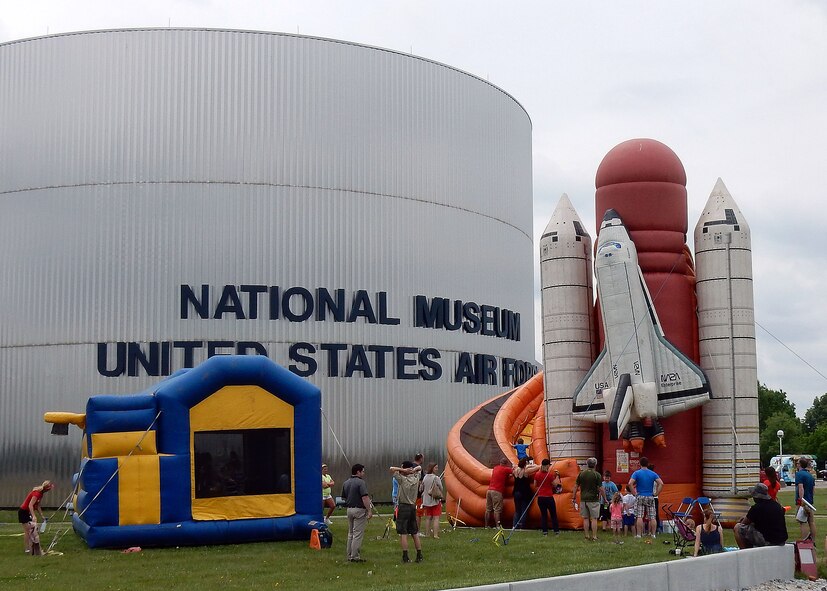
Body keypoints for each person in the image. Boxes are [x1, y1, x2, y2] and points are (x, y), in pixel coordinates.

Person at [733, 482, 788, 549]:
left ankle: (744, 551)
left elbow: (743, 523)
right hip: (781, 540)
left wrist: (743, 520)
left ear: (756, 497)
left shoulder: (756, 508)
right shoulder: (776, 505)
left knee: (738, 527)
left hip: (767, 541)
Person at [390, 461, 424, 563]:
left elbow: (392, 469)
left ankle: (405, 556)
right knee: (414, 532)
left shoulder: (402, 479)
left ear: (405, 469)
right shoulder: (416, 478)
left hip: (403, 506)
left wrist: (402, 470)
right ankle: (419, 554)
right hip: (412, 506)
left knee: (403, 532)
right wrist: (413, 470)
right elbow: (419, 468)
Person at [342, 464, 373, 562]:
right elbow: (364, 497)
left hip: (349, 509)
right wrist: (369, 510)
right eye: (362, 471)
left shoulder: (346, 482)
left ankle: (349, 555)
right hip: (359, 510)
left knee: (350, 533)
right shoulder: (361, 483)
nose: (364, 473)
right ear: (358, 472)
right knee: (357, 534)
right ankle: (355, 557)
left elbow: (344, 497)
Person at [628, 457, 663, 539]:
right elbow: (661, 483)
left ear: (639, 464)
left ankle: (639, 535)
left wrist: (634, 493)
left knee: (639, 516)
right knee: (652, 516)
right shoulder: (653, 473)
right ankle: (653, 534)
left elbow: (630, 483)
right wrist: (656, 493)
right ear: (648, 464)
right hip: (650, 496)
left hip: (640, 495)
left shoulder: (636, 473)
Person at [572, 457, 606, 541]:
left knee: (585, 518)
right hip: (593, 499)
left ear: (587, 464)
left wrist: (573, 497)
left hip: (583, 499)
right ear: (595, 464)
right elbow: (601, 488)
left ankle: (586, 536)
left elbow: (576, 486)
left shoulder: (581, 474)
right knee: (594, 518)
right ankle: (594, 536)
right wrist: (605, 498)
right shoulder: (597, 474)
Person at [18, 480, 54, 553]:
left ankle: (33, 548)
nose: (50, 490)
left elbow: (37, 506)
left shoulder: (41, 494)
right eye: (49, 488)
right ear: (46, 489)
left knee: (32, 531)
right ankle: (27, 549)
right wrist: (34, 516)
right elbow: (30, 505)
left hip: (27, 512)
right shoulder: (37, 494)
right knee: (27, 531)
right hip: (23, 512)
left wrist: (42, 515)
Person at [533, 459, 561, 535]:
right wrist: (557, 476)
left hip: (540, 497)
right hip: (549, 497)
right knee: (553, 514)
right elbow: (555, 485)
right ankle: (556, 531)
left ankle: (545, 531)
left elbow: (535, 485)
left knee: (543, 515)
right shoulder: (549, 475)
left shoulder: (537, 474)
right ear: (548, 465)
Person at [485, 457, 514, 528]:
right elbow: (514, 471)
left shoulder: (495, 468)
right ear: (506, 464)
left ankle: (486, 525)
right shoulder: (506, 469)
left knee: (488, 509)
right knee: (497, 510)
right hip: (497, 491)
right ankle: (498, 526)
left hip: (489, 490)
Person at [512, 457, 540, 529]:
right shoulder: (526, 471)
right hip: (525, 492)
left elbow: (516, 468)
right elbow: (538, 467)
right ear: (525, 464)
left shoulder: (515, 471)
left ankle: (514, 525)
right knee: (524, 509)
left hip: (516, 492)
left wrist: (527, 465)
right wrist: (532, 465)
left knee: (517, 510)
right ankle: (522, 525)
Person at [795, 457, 816, 541]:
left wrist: (801, 500)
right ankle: (813, 540)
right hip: (810, 501)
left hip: (803, 502)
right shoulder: (810, 475)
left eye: (797, 463)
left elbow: (801, 488)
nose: (797, 464)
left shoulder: (799, 474)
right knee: (811, 522)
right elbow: (813, 490)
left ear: (800, 465)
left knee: (802, 521)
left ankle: (804, 540)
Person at [421, 462, 443, 539]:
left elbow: (422, 488)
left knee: (428, 518)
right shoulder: (436, 478)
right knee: (436, 518)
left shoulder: (425, 477)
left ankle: (427, 533)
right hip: (435, 500)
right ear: (432, 468)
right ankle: (435, 534)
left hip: (426, 500)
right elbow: (441, 488)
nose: (437, 469)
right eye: (435, 468)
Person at [413, 453, 425, 532]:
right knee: (418, 513)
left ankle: (410, 529)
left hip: (409, 494)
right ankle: (417, 531)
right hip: (417, 494)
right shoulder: (419, 469)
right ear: (420, 459)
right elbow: (421, 480)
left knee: (411, 513)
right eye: (423, 458)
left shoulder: (410, 466)